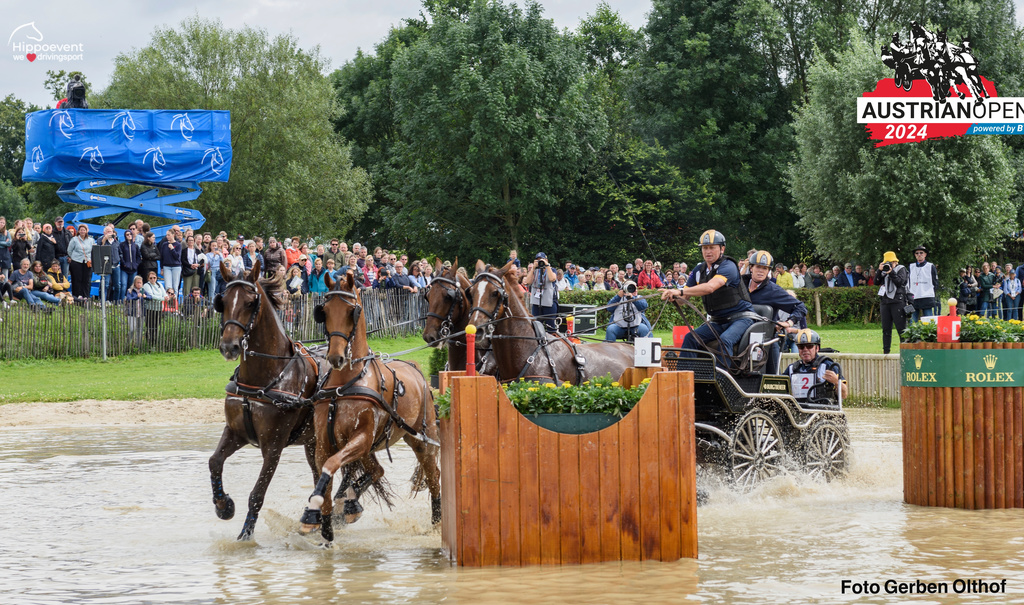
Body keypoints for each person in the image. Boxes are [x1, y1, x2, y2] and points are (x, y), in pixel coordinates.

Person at [661, 229, 756, 370]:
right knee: (690, 338)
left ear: (722, 249)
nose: (708, 251)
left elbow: (710, 287)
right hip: (718, 321)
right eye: (705, 248)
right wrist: (673, 296)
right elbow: (684, 298)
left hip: (741, 318)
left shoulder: (728, 266)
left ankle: (720, 381)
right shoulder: (699, 270)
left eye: (712, 247)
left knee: (725, 341)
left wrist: (679, 290)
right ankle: (683, 380)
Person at [743, 250, 808, 373]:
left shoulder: (773, 290)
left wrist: (788, 323)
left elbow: (800, 307)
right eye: (758, 267)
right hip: (739, 338)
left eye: (765, 268)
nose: (761, 271)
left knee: (772, 378)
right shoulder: (740, 284)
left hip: (765, 341)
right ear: (751, 268)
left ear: (769, 271)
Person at [782, 329, 848, 402]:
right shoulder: (792, 368)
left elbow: (844, 395)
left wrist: (836, 382)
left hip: (821, 409)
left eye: (809, 346)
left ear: (817, 348)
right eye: (801, 347)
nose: (805, 349)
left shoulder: (827, 365)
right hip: (798, 409)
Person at [878, 251, 910, 354]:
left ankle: (905, 351)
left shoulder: (901, 269)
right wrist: (879, 271)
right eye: (886, 263)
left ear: (895, 261)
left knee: (901, 328)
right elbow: (876, 282)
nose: (888, 265)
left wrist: (891, 272)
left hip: (897, 301)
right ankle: (886, 352)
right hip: (885, 301)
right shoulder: (883, 271)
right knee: (886, 329)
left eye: (890, 262)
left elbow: (900, 282)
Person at [523, 252, 558, 333]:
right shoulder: (535, 271)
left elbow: (552, 278)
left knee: (551, 327)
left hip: (549, 302)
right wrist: (533, 268)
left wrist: (547, 266)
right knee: (536, 327)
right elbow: (527, 281)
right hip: (536, 302)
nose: (540, 262)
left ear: (546, 260)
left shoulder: (552, 270)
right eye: (538, 260)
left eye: (541, 260)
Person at [907, 245, 939, 322]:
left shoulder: (930, 266)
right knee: (912, 321)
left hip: (927, 296)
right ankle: (912, 334)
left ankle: (930, 334)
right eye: (917, 253)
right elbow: (908, 282)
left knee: (929, 321)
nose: (919, 255)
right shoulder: (911, 266)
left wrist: (930, 292)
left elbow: (935, 282)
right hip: (914, 297)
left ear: (925, 254)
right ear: (915, 255)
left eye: (921, 253)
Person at [67, 224, 94, 300]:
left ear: (86, 231)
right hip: (76, 261)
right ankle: (77, 296)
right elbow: (69, 250)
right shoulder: (74, 239)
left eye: (84, 230)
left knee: (87, 280)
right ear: (79, 231)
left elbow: (93, 250)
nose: (82, 231)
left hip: (87, 262)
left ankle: (86, 296)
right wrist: (73, 257)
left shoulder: (91, 240)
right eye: (81, 230)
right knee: (77, 279)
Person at [98, 225, 122, 302]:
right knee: (105, 285)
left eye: (110, 231)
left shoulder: (116, 242)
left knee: (117, 285)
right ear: (104, 233)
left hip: (116, 265)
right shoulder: (100, 240)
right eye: (107, 232)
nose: (109, 233)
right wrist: (105, 239)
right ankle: (103, 302)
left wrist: (118, 259)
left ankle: (115, 301)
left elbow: (120, 253)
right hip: (106, 266)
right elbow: (99, 249)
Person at [141, 271, 166, 345]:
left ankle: (154, 342)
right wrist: (162, 298)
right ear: (148, 279)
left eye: (154, 278)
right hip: (150, 308)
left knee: (156, 326)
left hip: (158, 308)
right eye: (151, 278)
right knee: (150, 326)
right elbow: (151, 296)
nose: (153, 279)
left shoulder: (160, 284)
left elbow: (164, 294)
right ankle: (149, 341)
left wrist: (163, 298)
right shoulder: (146, 285)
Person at [158, 231, 182, 298]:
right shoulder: (164, 244)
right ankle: (167, 302)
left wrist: (172, 249)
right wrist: (161, 268)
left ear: (173, 235)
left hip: (176, 266)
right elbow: (161, 257)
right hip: (166, 266)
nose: (167, 236)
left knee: (175, 286)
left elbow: (177, 257)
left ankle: (175, 303)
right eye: (166, 235)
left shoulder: (178, 245)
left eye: (169, 235)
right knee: (168, 286)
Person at [119, 229, 140, 300]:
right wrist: (124, 264)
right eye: (127, 234)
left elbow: (138, 256)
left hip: (133, 268)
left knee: (131, 286)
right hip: (124, 268)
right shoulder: (122, 245)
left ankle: (130, 300)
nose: (129, 236)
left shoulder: (135, 246)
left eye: (130, 234)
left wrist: (136, 264)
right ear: (125, 236)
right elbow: (120, 255)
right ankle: (122, 300)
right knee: (123, 285)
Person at [125, 275, 145, 346]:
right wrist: (137, 297)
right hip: (132, 313)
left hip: (141, 313)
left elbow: (150, 296)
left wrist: (146, 297)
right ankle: (127, 344)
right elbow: (128, 299)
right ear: (134, 283)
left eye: (140, 283)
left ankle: (138, 345)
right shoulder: (130, 290)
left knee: (140, 330)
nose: (139, 284)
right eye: (137, 282)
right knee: (132, 329)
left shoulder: (143, 290)